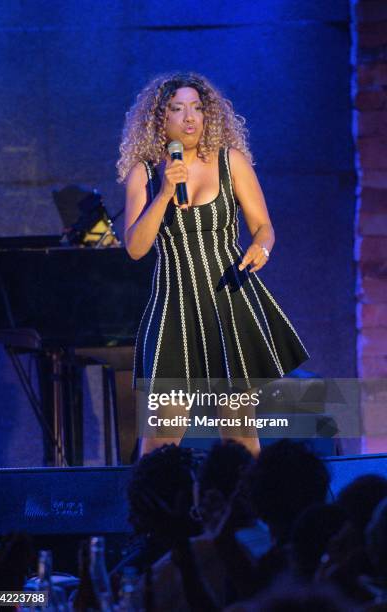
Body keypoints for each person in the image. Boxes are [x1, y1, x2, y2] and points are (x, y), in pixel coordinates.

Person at [117, 72, 310, 457]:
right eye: (178, 109)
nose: (190, 118)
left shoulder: (230, 161)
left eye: (198, 108)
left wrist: (262, 247)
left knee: (240, 434)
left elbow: (264, 227)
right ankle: (153, 511)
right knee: (161, 437)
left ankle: (248, 514)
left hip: (228, 302)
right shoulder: (145, 172)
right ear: (160, 118)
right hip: (174, 308)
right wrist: (165, 193)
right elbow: (136, 248)